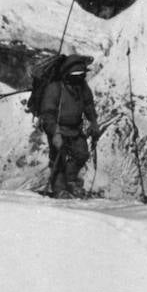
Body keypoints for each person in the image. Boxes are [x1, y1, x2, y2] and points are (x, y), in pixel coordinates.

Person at [39, 54, 99, 199]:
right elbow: (48, 114)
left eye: (81, 75)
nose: (78, 79)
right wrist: (55, 133)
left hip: (74, 129)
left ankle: (70, 181)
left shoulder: (82, 88)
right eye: (75, 75)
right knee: (58, 158)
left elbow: (88, 105)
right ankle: (59, 189)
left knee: (81, 153)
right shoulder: (55, 89)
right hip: (57, 128)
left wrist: (93, 122)